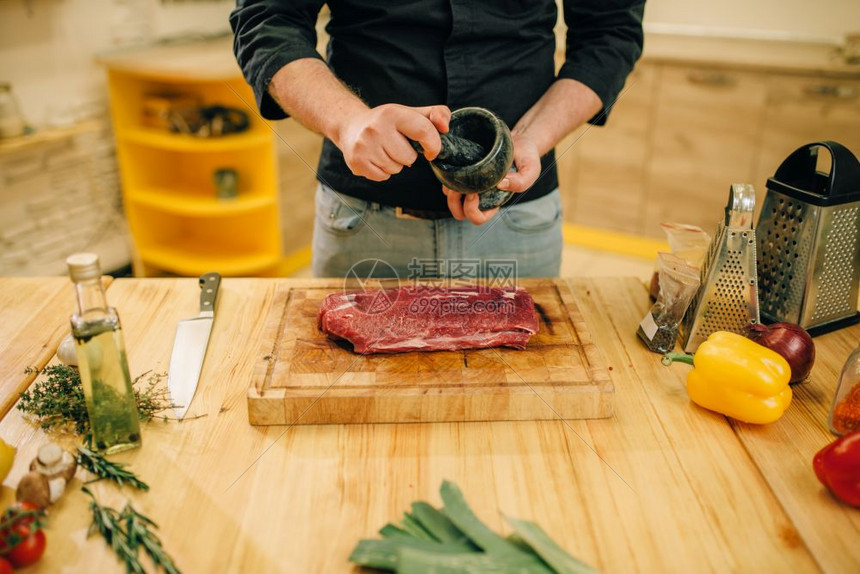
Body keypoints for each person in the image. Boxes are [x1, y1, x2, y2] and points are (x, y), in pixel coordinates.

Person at [230, 1, 645, 279]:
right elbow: (268, 20)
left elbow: (609, 32)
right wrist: (348, 121)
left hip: (515, 216)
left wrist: (531, 138)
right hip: (363, 220)